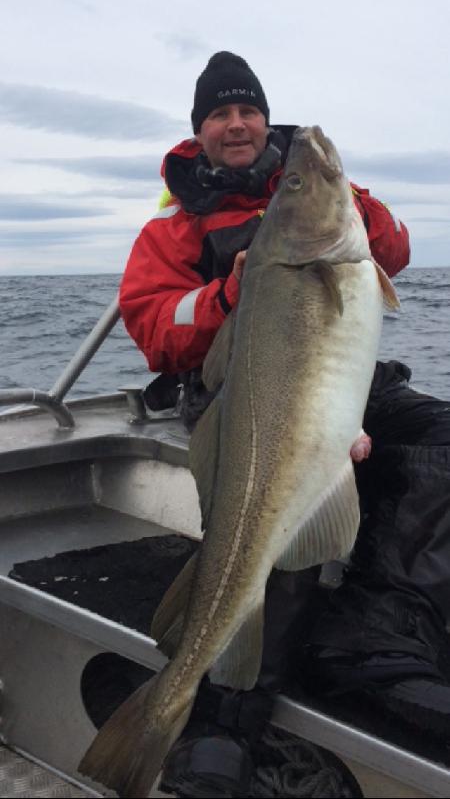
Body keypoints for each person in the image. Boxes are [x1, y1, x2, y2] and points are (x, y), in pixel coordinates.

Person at [120, 52, 450, 797]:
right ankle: (219, 722)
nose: (237, 125)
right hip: (241, 401)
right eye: (219, 114)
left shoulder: (322, 205)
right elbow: (155, 330)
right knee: (278, 536)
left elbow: (395, 249)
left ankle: (382, 625)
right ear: (199, 130)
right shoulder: (172, 226)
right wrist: (228, 294)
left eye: (249, 111)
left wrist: (333, 189)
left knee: (439, 443)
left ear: (265, 120)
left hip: (340, 386)